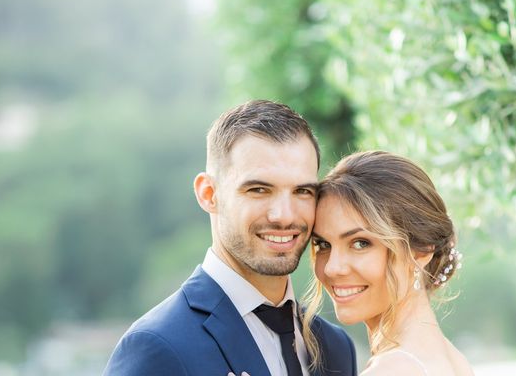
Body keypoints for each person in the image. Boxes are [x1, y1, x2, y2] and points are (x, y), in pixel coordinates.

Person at [104, 100, 357, 376]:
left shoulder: (335, 347)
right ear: (209, 193)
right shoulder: (156, 346)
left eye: (302, 191)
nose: (284, 216)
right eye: (259, 190)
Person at [307, 150, 474, 376]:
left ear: (421, 250)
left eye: (360, 243)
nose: (332, 268)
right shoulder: (455, 361)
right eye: (323, 244)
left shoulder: (391, 369)